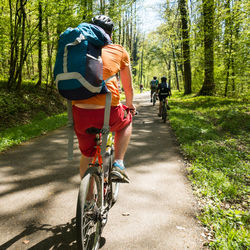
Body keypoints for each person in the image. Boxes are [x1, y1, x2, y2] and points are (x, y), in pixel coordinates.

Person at [72, 15, 136, 183]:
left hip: (79, 113)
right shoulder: (118, 50)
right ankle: (119, 164)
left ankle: (87, 202)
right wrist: (129, 105)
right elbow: (128, 88)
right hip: (109, 112)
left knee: (87, 154)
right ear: (110, 36)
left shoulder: (77, 48)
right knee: (127, 120)